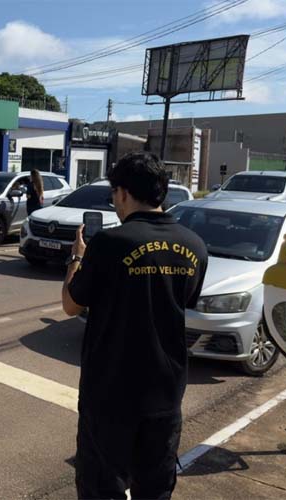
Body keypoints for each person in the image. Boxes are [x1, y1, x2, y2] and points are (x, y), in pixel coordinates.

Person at [61, 152, 208, 500]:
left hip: (110, 393)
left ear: (124, 193)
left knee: (101, 488)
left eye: (114, 193)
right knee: (155, 489)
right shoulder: (195, 246)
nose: (114, 201)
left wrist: (77, 256)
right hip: (166, 393)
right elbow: (183, 302)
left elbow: (70, 304)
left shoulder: (109, 244)